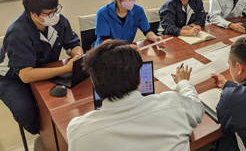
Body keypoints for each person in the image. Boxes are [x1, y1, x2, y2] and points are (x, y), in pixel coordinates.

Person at [67, 40, 204, 151]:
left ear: (94, 82)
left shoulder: (79, 132)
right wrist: (183, 82)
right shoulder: (174, 105)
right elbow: (198, 109)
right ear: (139, 77)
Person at [0, 0, 83, 134]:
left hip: (45, 68)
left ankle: (64, 133)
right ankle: (46, 137)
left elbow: (72, 44)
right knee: (27, 111)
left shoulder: (58, 21)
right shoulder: (18, 33)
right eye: (49, 13)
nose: (54, 15)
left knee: (77, 89)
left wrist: (77, 56)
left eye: (56, 10)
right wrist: (66, 69)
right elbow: (26, 75)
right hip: (13, 78)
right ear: (33, 14)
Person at [94, 0, 165, 48]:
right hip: (106, 51)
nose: (131, 1)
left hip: (126, 51)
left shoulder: (138, 10)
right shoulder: (103, 13)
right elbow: (106, 41)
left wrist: (155, 38)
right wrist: (127, 48)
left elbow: (147, 31)